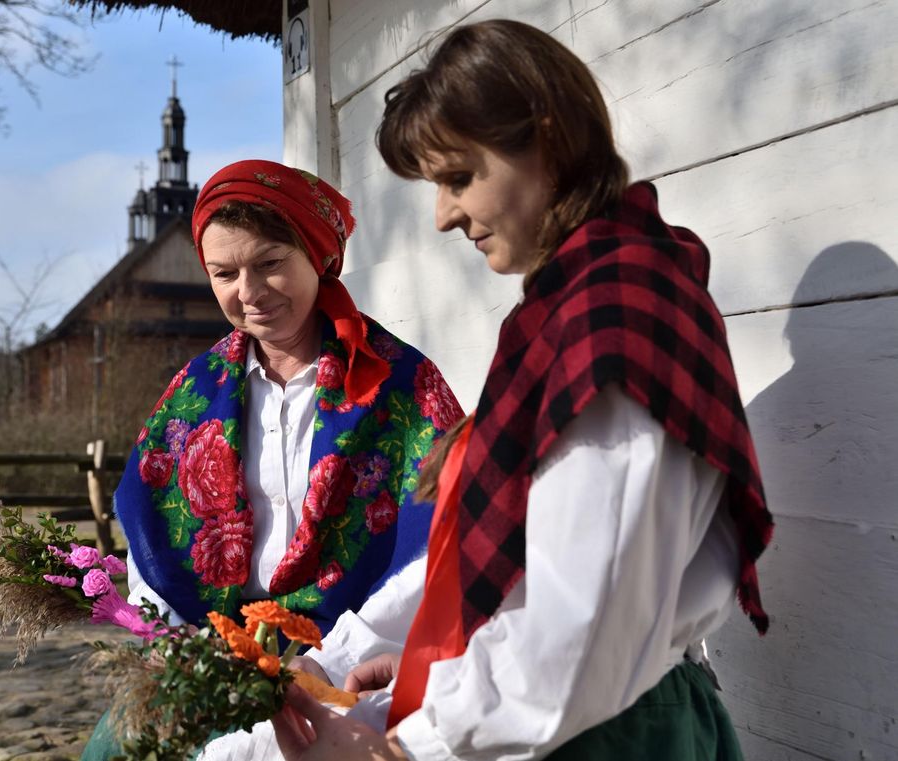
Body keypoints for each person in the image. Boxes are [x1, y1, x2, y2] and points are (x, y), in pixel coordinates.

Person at [271, 19, 774, 760]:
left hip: (606, 735)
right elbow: (509, 555)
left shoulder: (617, 317)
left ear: (545, 142)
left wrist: (414, 741)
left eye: (458, 178)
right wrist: (383, 656)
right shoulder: (565, 312)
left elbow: (583, 628)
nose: (442, 215)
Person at [80, 159, 462, 760]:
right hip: (216, 662)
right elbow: (153, 534)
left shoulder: (400, 384)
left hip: (352, 664)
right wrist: (180, 653)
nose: (248, 292)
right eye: (224, 273)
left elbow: (439, 544)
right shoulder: (193, 393)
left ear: (318, 256)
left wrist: (332, 661)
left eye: (270, 264)